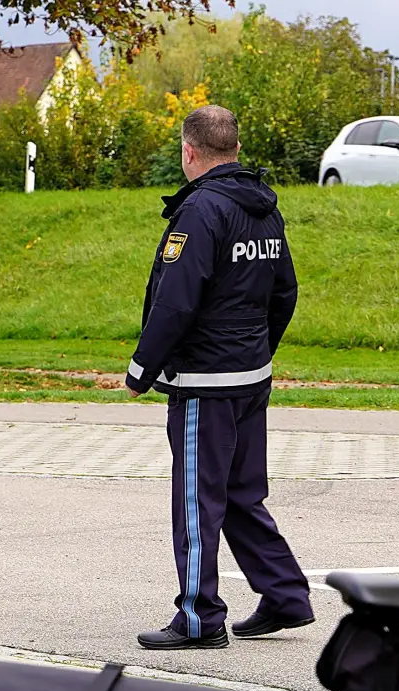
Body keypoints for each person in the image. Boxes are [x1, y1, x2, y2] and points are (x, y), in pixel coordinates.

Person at [126, 105, 314, 651]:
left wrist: (142, 369)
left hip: (204, 382)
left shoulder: (201, 212)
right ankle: (284, 596)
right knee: (239, 495)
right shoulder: (264, 211)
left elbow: (175, 302)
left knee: (197, 500)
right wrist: (258, 351)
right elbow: (285, 292)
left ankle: (198, 616)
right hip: (251, 377)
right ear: (233, 148)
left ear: (189, 152)